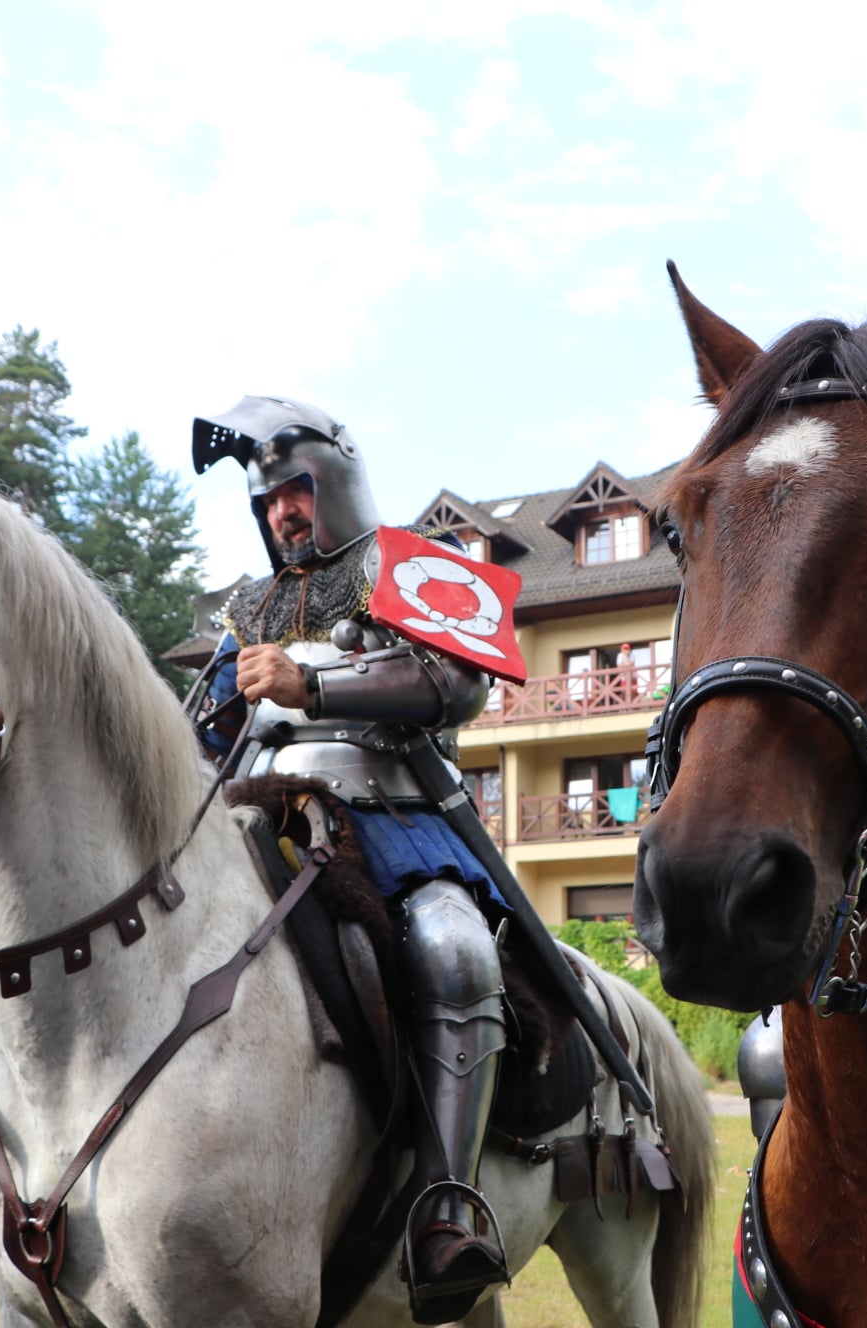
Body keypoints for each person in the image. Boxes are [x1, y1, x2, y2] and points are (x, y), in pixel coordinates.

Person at [190, 396, 507, 1324]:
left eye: (294, 490)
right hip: (258, 809)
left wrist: (312, 682)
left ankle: (448, 1211)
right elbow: (207, 726)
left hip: (389, 807)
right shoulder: (248, 607)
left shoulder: (406, 566)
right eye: (268, 500)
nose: (281, 512)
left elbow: (457, 682)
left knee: (454, 950)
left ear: (334, 482)